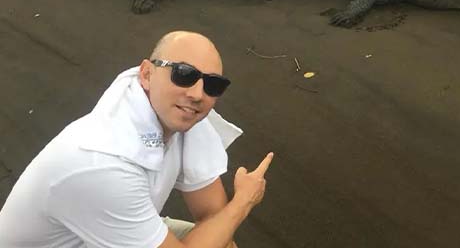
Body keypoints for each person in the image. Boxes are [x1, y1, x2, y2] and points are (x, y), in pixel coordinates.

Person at [0, 31, 273, 248]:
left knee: (221, 240)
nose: (197, 93)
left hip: (104, 232)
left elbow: (212, 214)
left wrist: (228, 218)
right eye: (184, 75)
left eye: (213, 84)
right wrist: (244, 201)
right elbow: (226, 214)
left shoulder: (182, 113)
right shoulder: (101, 162)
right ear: (146, 73)